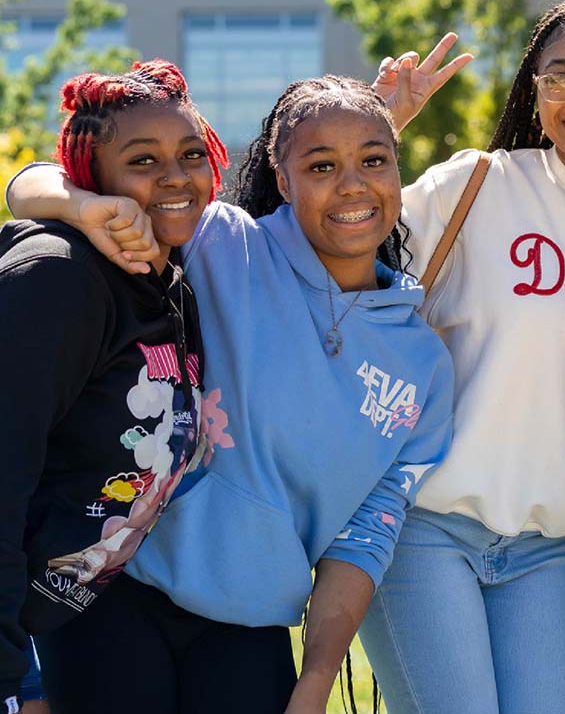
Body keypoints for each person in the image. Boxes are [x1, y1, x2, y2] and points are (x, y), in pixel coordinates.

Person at [5, 73, 454, 714]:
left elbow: (364, 538)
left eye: (375, 161)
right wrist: (81, 208)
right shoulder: (222, 243)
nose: (353, 185)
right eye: (321, 165)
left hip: (250, 625)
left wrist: (316, 681)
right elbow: (31, 185)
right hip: (117, 591)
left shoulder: (425, 368)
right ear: (282, 174)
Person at [359, 0, 565, 713]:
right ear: (534, 89)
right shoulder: (479, 184)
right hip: (421, 527)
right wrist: (378, 129)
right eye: (558, 76)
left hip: (544, 546)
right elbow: (326, 242)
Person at [0, 60, 222, 713]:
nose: (176, 177)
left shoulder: (171, 271)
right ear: (95, 178)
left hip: (55, 621)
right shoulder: (57, 280)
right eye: (143, 161)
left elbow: (23, 183)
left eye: (189, 153)